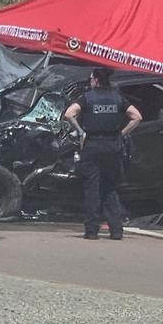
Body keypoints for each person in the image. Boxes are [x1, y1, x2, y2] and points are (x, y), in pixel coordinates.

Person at [64, 68, 142, 240]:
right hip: (113, 146)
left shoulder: (87, 97)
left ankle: (92, 230)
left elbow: (69, 114)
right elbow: (137, 117)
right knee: (110, 188)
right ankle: (116, 230)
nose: (90, 81)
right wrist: (122, 133)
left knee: (92, 188)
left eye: (91, 78)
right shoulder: (118, 98)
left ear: (96, 80)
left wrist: (80, 131)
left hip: (92, 145)